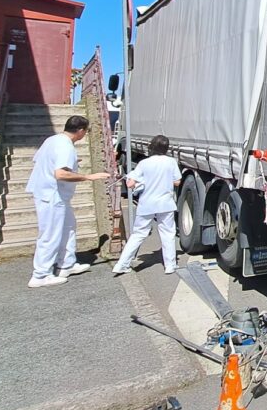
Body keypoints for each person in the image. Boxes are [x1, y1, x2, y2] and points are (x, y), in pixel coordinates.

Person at [26, 115, 109, 288]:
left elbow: (41, 160)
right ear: (80, 131)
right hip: (52, 195)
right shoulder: (66, 146)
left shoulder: (53, 140)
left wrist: (73, 162)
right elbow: (61, 174)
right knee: (50, 234)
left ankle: (66, 264)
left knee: (69, 227)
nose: (84, 134)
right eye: (85, 131)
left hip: (52, 194)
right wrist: (88, 176)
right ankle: (41, 275)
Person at [112, 135, 182, 275]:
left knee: (138, 234)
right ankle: (170, 265)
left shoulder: (144, 163)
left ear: (151, 147)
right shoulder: (171, 162)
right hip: (165, 204)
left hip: (147, 204)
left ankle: (121, 264)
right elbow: (177, 182)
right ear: (166, 148)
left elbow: (131, 184)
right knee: (168, 234)